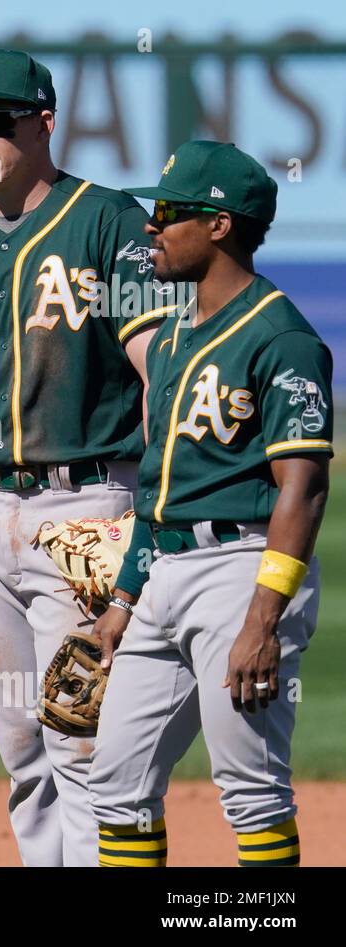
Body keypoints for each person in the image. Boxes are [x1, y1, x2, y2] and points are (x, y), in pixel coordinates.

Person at [0, 49, 171, 866]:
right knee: (22, 745)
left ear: (44, 123)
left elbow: (159, 364)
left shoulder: (109, 220)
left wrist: (145, 493)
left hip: (88, 504)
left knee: (81, 740)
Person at [89, 141, 332, 867]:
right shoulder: (167, 343)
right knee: (116, 785)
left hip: (243, 571)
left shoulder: (282, 338)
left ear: (220, 225)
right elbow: (159, 493)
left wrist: (265, 617)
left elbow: (305, 486)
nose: (152, 228)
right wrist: (123, 599)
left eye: (169, 213)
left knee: (250, 790)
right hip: (162, 576)